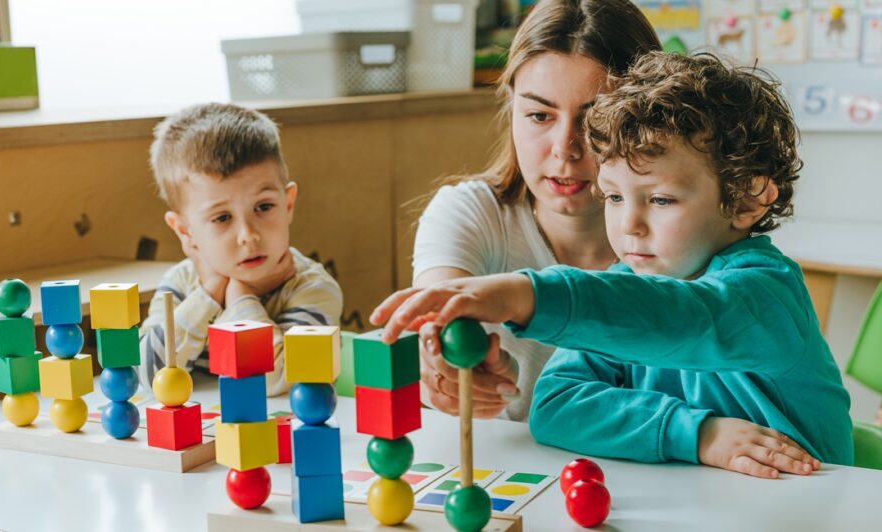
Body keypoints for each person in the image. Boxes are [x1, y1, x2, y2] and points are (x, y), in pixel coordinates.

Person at [372, 52, 853, 478]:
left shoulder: (767, 295)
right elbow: (555, 404)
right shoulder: (628, 284)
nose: (630, 225)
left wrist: (530, 294)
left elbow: (683, 317)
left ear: (748, 199)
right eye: (614, 196)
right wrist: (696, 434)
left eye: (661, 199)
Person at [410, 0, 661, 420]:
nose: (565, 148)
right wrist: (444, 364)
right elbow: (437, 316)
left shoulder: (686, 236)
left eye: (595, 118)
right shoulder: (471, 212)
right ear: (511, 108)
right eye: (540, 115)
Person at [138, 102, 343, 396]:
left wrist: (239, 296)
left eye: (264, 207)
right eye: (222, 218)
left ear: (287, 204)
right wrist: (210, 293)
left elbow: (284, 381)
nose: (248, 235)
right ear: (185, 231)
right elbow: (146, 375)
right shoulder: (182, 284)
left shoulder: (311, 286)